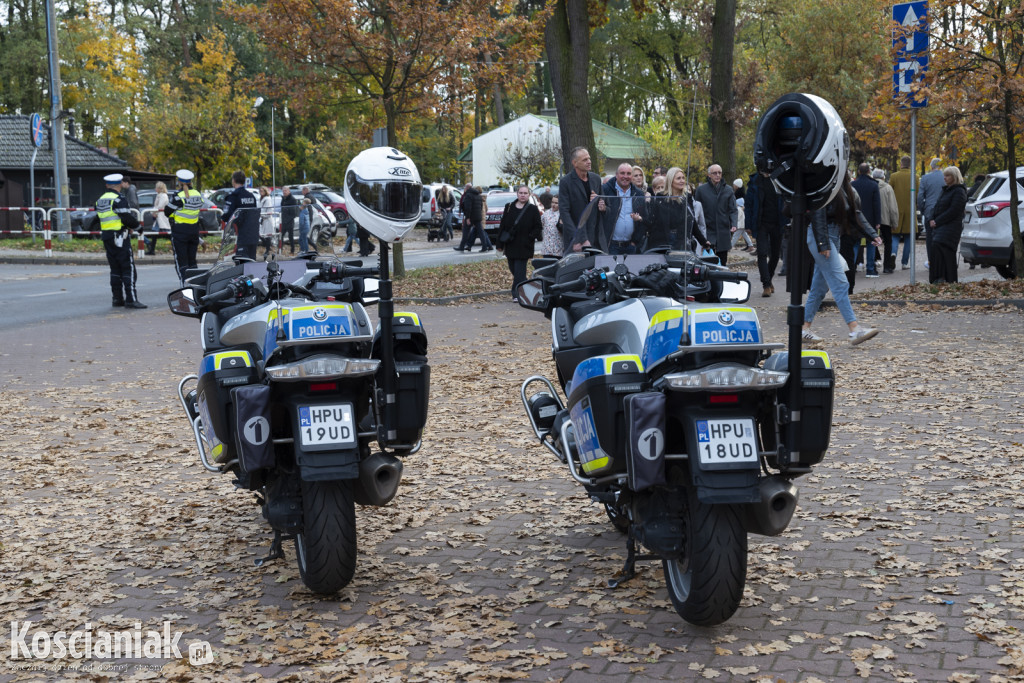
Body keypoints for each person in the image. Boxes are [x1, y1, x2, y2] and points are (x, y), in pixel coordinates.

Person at [801, 176, 883, 346]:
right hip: (821, 237)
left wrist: (872, 235)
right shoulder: (826, 184)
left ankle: (804, 328)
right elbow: (818, 212)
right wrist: (823, 243)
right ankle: (854, 329)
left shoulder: (842, 187)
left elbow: (855, 214)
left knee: (819, 287)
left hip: (830, 237)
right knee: (840, 283)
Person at [96, 173, 144, 308]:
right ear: (119, 185)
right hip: (120, 238)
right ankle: (131, 299)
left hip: (107, 237)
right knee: (128, 268)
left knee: (115, 269)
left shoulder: (100, 199)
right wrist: (138, 227)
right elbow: (126, 217)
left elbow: (101, 217)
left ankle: (117, 299)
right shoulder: (119, 199)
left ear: (107, 185)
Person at [638, 166, 710, 253]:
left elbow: (692, 221)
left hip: (681, 243)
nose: (682, 180)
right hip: (663, 243)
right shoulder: (661, 197)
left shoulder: (687, 197)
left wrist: (703, 241)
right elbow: (652, 221)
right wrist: (641, 219)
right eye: (678, 178)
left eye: (683, 178)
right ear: (671, 181)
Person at [496, 185, 543, 300]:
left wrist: (530, 237)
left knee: (519, 271)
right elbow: (502, 226)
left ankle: (516, 294)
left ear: (529, 195)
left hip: (524, 246)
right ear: (517, 194)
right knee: (514, 270)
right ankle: (532, 288)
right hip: (510, 244)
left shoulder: (532, 209)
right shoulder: (509, 207)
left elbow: (538, 227)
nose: (523, 195)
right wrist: (499, 245)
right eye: (521, 193)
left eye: (525, 193)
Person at [745, 171, 784, 297]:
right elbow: (749, 204)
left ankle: (769, 278)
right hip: (761, 223)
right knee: (762, 253)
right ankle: (766, 284)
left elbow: (785, 199)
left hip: (777, 222)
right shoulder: (755, 182)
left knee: (775, 255)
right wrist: (748, 224)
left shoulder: (778, 179)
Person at [557, 147, 603, 253]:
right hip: (576, 240)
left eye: (589, 159)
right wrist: (577, 238)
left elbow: (605, 205)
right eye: (585, 160)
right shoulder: (566, 182)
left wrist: (600, 202)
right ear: (575, 163)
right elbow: (564, 212)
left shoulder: (596, 179)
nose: (589, 162)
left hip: (595, 237)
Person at [928, 166, 968, 284]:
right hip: (941, 227)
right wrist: (931, 218)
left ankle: (949, 279)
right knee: (936, 248)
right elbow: (936, 206)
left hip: (950, 228)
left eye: (947, 175)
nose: (944, 178)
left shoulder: (959, 191)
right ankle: (939, 278)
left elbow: (954, 210)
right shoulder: (945, 190)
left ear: (954, 177)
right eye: (944, 175)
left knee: (945, 250)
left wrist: (937, 221)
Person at [165, 169, 203, 285]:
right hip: (194, 232)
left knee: (182, 263)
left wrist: (174, 214)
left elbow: (167, 212)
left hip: (180, 232)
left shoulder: (178, 196)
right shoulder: (197, 194)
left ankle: (184, 288)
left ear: (179, 182)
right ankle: (195, 287)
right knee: (192, 263)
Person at [694, 164, 738, 265]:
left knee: (723, 262)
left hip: (723, 232)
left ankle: (722, 280)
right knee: (708, 263)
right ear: (709, 175)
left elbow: (733, 209)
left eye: (719, 173)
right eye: (714, 173)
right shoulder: (701, 190)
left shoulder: (728, 190)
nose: (717, 175)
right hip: (708, 231)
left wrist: (734, 224)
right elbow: (696, 210)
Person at [596, 163, 644, 254]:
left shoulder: (639, 194)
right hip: (611, 246)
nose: (625, 176)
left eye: (628, 173)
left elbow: (644, 219)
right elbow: (597, 217)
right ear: (616, 175)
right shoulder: (605, 190)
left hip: (631, 246)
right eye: (622, 173)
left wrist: (635, 242)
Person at [851, 163, 882, 277]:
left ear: (859, 171)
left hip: (856, 218)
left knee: (855, 243)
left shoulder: (852, 184)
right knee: (871, 243)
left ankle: (851, 268)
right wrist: (878, 221)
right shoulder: (874, 185)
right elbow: (877, 204)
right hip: (871, 219)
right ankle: (870, 269)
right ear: (869, 171)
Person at [221, 171, 260, 259]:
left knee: (241, 261)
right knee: (251, 261)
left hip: (242, 233)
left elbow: (227, 215)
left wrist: (222, 218)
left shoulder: (234, 196)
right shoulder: (251, 196)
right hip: (253, 234)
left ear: (233, 181)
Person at [889, 155, 915, 270]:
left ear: (901, 164)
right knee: (909, 237)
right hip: (910, 210)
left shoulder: (894, 176)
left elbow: (890, 192)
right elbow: (917, 192)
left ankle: (893, 253)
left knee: (894, 235)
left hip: (896, 210)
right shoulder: (915, 176)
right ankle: (904, 263)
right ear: (910, 164)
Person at [918, 157, 944, 267]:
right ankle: (942, 260)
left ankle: (931, 261)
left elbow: (920, 196)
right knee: (943, 236)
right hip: (944, 210)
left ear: (931, 166)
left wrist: (922, 208)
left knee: (930, 237)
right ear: (941, 166)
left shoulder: (925, 178)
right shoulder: (946, 177)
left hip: (929, 210)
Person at [873, 169, 899, 273]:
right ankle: (887, 267)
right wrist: (894, 222)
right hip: (886, 220)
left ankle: (872, 266)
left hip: (872, 219)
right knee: (888, 242)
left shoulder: (871, 186)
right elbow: (892, 207)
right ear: (883, 177)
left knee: (872, 242)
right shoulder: (888, 188)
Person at [453, 185, 492, 252]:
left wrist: (467, 218)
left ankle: (461, 246)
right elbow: (481, 206)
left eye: (465, 187)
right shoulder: (479, 196)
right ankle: (484, 247)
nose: (464, 189)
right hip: (478, 216)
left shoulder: (468, 195)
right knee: (481, 232)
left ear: (467, 188)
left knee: (466, 232)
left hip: (471, 217)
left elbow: (468, 207)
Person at [149, 181, 171, 256]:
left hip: (161, 217)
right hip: (158, 217)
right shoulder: (159, 195)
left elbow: (160, 206)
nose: (155, 188)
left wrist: (154, 212)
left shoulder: (163, 196)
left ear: (159, 188)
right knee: (154, 233)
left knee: (167, 233)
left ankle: (176, 246)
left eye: (156, 187)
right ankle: (151, 250)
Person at [279, 186, 299, 254]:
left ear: (289, 191)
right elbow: (282, 209)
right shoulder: (283, 199)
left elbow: (294, 213)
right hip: (283, 220)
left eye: (285, 191)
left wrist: (288, 220)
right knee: (281, 236)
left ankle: (292, 250)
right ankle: (280, 250)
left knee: (290, 237)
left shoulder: (292, 199)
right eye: (283, 191)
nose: (284, 192)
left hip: (290, 221)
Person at [258, 186, 275, 259]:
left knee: (267, 236)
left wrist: (263, 215)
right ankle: (269, 247)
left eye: (262, 191)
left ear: (265, 191)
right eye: (260, 191)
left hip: (267, 219)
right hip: (262, 219)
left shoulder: (267, 199)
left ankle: (268, 250)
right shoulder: (260, 199)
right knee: (260, 234)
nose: (261, 192)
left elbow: (268, 210)